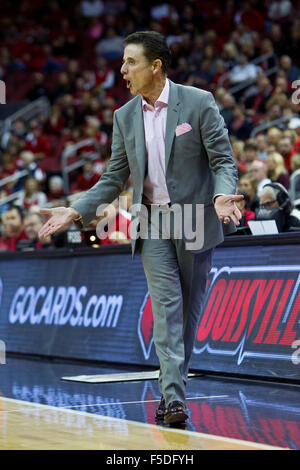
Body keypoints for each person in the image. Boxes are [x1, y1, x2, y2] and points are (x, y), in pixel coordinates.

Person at [39, 31, 242, 425]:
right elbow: (114, 177)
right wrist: (77, 210)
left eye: (130, 62)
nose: (122, 70)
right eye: (122, 62)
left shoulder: (198, 102)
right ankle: (173, 400)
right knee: (166, 311)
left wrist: (220, 198)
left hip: (195, 219)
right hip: (150, 221)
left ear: (155, 66)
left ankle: (173, 389)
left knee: (187, 314)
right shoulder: (123, 116)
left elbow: (223, 162)